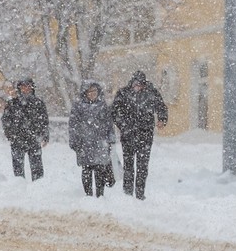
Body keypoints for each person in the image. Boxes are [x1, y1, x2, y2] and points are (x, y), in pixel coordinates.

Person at [110, 71, 167, 199]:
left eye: (140, 85)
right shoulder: (123, 93)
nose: (138, 87)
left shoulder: (151, 93)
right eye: (136, 84)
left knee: (142, 167)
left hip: (145, 136)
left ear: (144, 84)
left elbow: (161, 107)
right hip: (128, 136)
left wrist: (162, 119)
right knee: (128, 166)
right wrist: (123, 125)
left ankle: (140, 194)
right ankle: (128, 193)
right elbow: (114, 111)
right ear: (132, 83)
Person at [68, 80, 114, 197]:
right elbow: (73, 125)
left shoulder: (103, 106)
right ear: (85, 93)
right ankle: (88, 195)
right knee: (86, 170)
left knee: (100, 171)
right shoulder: (78, 107)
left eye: (94, 91)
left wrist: (110, 139)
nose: (92, 93)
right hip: (84, 144)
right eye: (90, 91)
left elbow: (109, 125)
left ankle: (100, 195)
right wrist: (74, 142)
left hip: (100, 144)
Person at [0, 77, 49, 181]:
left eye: (28, 86)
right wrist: (11, 135)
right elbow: (6, 121)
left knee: (37, 169)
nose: (26, 89)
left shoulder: (39, 104)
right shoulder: (12, 104)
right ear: (19, 88)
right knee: (18, 170)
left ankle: (38, 188)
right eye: (23, 86)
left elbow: (44, 122)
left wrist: (45, 136)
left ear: (32, 88)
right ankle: (19, 189)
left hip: (34, 140)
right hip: (17, 140)